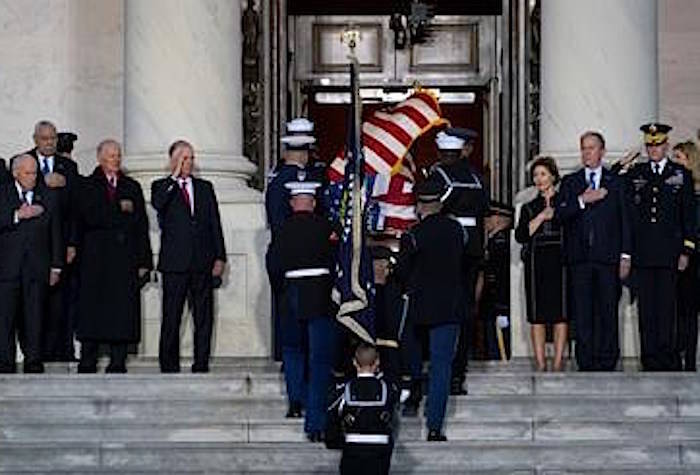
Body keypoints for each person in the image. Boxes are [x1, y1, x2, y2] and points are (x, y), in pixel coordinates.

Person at [393, 177, 468, 441]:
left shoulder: (413, 235)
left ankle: (412, 399)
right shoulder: (457, 230)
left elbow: (401, 270)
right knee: (441, 366)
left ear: (420, 206)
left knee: (410, 359)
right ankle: (434, 426)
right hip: (449, 305)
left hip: (418, 306)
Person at [267, 180, 338, 442]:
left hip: (291, 294)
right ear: (313, 203)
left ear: (293, 203)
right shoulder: (327, 227)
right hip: (320, 294)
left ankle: (296, 401)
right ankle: (315, 424)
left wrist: (281, 291)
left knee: (293, 350)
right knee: (319, 360)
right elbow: (337, 261)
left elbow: (273, 264)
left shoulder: (282, 229)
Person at [75, 140, 152, 373]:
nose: (115, 160)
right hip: (95, 259)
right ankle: (88, 358)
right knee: (92, 308)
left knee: (122, 309)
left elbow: (140, 226)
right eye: (110, 156)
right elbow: (89, 217)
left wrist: (144, 261)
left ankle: (118, 360)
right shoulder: (87, 185)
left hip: (124, 258)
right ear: (99, 158)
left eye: (118, 155)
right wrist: (119, 209)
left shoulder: (131, 186)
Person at [556, 132, 631, 371]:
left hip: (608, 258)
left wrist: (625, 255)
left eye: (591, 148)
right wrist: (582, 200)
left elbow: (625, 222)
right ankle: (586, 360)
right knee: (583, 311)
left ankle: (608, 359)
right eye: (583, 148)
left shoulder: (616, 182)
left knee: (608, 309)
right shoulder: (571, 182)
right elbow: (560, 212)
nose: (587, 153)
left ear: (602, 151)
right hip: (579, 259)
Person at [151, 140, 227, 373]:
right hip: (175, 263)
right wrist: (174, 177)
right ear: (173, 161)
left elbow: (215, 222)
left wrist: (220, 256)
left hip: (202, 261)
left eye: (192, 158)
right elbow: (159, 204)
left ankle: (201, 362)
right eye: (184, 158)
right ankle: (169, 364)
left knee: (203, 317)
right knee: (172, 315)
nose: (189, 162)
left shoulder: (205, 187)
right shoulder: (162, 186)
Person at [627, 123, 696, 371]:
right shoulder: (637, 172)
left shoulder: (680, 174)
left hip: (669, 253)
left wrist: (687, 250)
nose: (653, 149)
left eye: (657, 144)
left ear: (666, 145)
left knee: (667, 308)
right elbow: (625, 204)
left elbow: (688, 216)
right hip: (643, 253)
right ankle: (650, 358)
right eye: (649, 145)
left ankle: (667, 358)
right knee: (646, 311)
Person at [428, 128, 488, 395]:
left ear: (442, 152)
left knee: (443, 312)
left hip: (446, 248)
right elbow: (484, 209)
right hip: (472, 247)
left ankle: (440, 369)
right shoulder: (476, 176)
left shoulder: (438, 175)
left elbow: (431, 207)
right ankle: (457, 373)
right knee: (464, 312)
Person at [19, 121, 80, 362]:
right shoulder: (21, 161)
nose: (50, 142)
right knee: (30, 302)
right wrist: (45, 181)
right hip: (30, 247)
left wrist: (72, 243)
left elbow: (76, 208)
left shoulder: (68, 166)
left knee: (61, 300)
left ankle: (61, 351)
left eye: (53, 138)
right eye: (45, 138)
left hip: (60, 244)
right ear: (35, 139)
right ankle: (33, 352)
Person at [0, 155, 63, 373]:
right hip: (7, 268)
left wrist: (56, 265)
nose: (33, 177)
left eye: (35, 172)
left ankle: (34, 360)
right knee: (6, 317)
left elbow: (55, 232)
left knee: (35, 316)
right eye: (28, 173)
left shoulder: (46, 196)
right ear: (16, 173)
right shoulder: (3, 193)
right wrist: (17, 215)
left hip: (37, 267)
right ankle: (5, 362)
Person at [265, 117, 318, 360]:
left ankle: (287, 357)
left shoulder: (276, 180)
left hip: (283, 256)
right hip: (300, 258)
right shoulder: (298, 180)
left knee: (287, 315)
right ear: (306, 152)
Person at [515, 157, 567, 371]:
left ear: (553, 176)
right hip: (536, 263)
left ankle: (557, 363)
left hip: (561, 262)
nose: (539, 179)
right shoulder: (529, 206)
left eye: (543, 174)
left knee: (560, 314)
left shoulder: (564, 202)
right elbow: (520, 236)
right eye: (536, 175)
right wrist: (541, 217)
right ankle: (540, 363)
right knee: (537, 315)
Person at [336, 343, 398, 475]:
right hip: (380, 445)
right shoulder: (388, 388)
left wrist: (335, 441)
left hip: (353, 446)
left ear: (354, 362)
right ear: (377, 362)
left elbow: (332, 417)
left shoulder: (344, 388)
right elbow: (392, 415)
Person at [672, 140, 700, 370]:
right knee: (680, 310)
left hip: (694, 257)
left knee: (690, 311)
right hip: (678, 256)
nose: (675, 164)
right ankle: (679, 355)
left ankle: (689, 359)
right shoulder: (673, 188)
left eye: (679, 158)